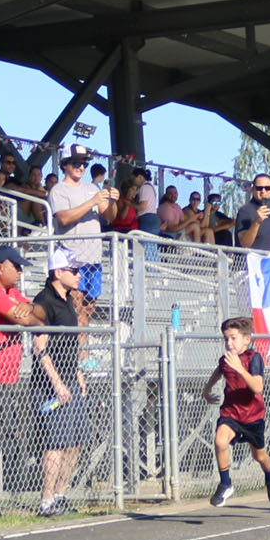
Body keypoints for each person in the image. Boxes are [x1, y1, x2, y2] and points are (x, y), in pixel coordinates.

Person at [0, 246, 44, 517]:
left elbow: (39, 314)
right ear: (0, 266)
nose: (19, 271)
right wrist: (28, 314)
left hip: (5, 378)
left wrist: (30, 312)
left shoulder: (9, 292)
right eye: (15, 266)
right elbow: (26, 318)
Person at [31, 249, 93, 516]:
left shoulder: (68, 299)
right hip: (50, 384)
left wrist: (77, 375)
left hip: (70, 378)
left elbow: (72, 343)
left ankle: (61, 493)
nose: (78, 275)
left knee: (74, 442)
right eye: (73, 271)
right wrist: (57, 383)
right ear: (58, 273)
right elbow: (39, 347)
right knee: (54, 444)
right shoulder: (44, 301)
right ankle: (46, 501)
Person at [200, 316, 270, 507]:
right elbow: (219, 371)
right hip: (231, 414)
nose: (229, 343)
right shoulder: (226, 360)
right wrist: (207, 389)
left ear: (246, 339)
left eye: (233, 338)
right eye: (226, 339)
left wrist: (239, 369)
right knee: (220, 441)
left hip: (253, 417)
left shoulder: (254, 358)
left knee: (259, 456)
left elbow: (257, 387)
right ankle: (226, 483)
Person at [48, 144, 119, 305]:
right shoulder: (59, 190)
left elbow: (109, 216)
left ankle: (84, 332)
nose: (81, 167)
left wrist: (113, 202)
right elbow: (63, 218)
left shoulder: (92, 188)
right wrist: (91, 202)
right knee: (75, 305)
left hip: (93, 257)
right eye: (76, 163)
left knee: (89, 307)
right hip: (72, 257)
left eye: (84, 164)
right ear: (65, 164)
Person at [235, 174, 270, 259]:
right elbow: (244, 243)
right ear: (253, 190)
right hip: (249, 266)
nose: (263, 191)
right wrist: (257, 222)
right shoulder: (245, 211)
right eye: (259, 188)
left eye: (267, 188)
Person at [130, 168, 160, 234]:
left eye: (133, 178)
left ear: (140, 177)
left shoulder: (144, 187)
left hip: (147, 220)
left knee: (146, 242)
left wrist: (130, 205)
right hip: (150, 219)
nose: (133, 181)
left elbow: (142, 206)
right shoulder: (149, 186)